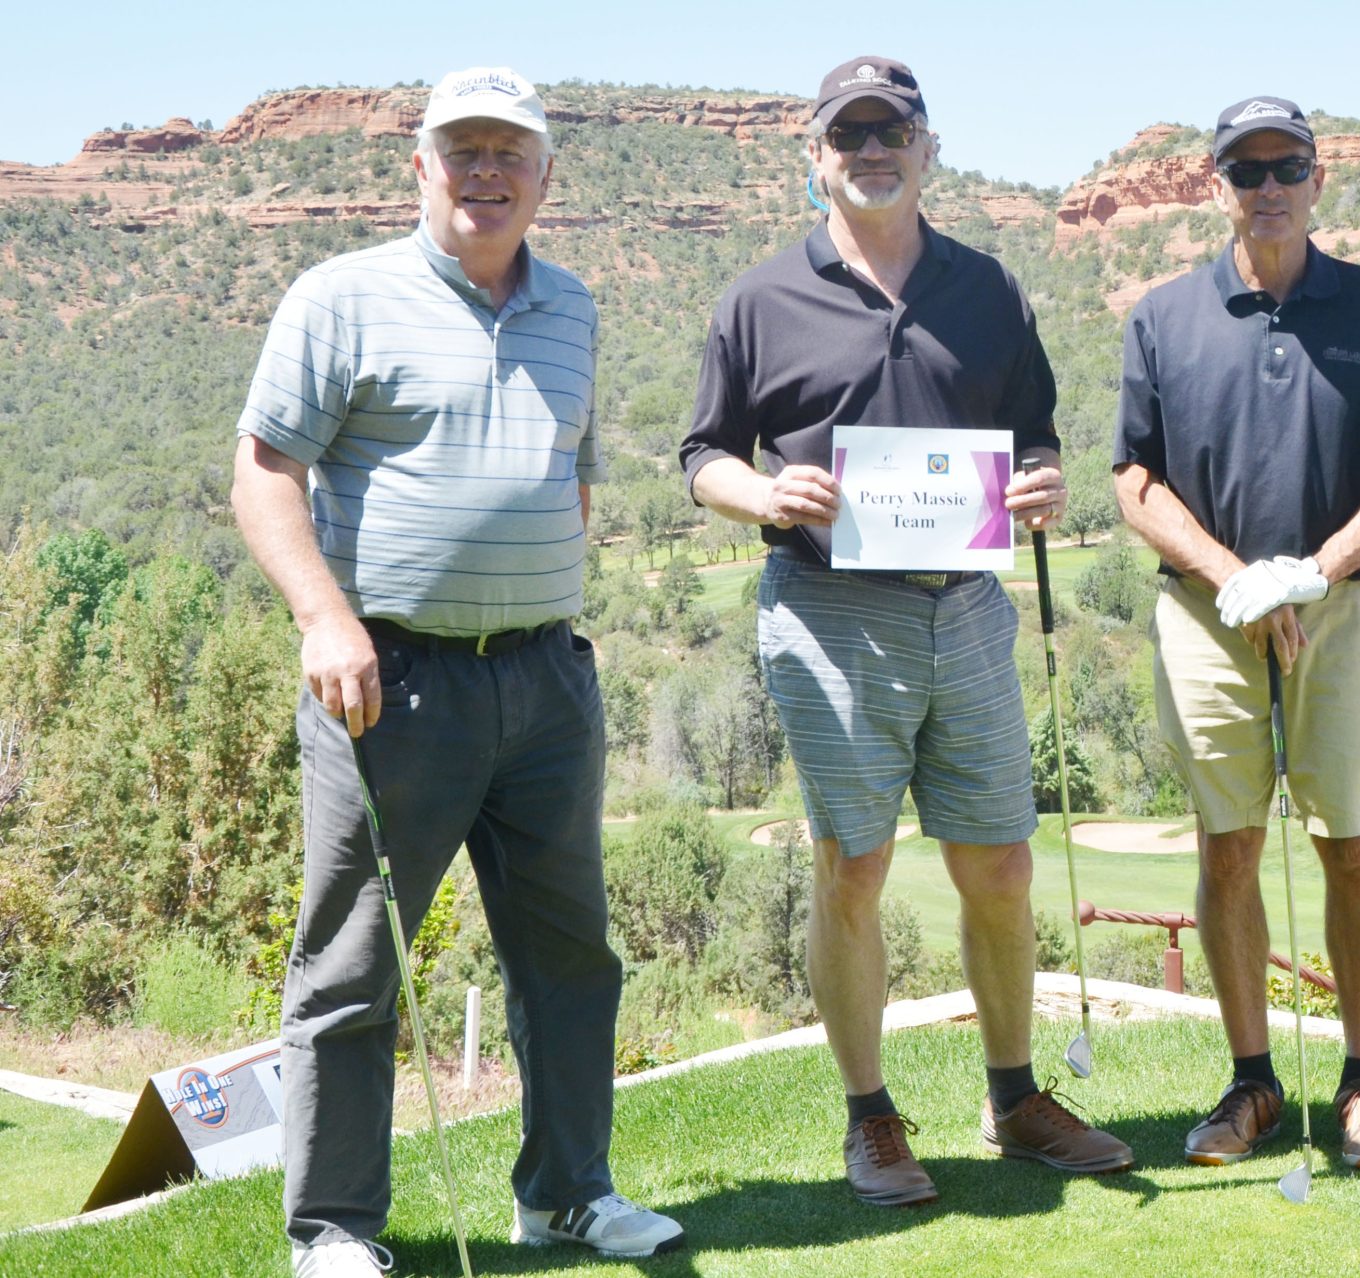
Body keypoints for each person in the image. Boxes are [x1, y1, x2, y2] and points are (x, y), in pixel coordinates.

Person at [231, 67, 685, 1277]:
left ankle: (570, 1196)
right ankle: (335, 1230)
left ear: (545, 175)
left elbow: (572, 474)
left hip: (544, 682)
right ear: (420, 167)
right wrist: (324, 619)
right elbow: (264, 474)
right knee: (353, 965)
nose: (487, 170)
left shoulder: (573, 306)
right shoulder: (340, 296)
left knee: (570, 958)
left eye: (509, 151)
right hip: (388, 682)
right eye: (463, 149)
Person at [678, 54, 1131, 1208]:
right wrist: (763, 494)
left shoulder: (987, 287)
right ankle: (871, 1119)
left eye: (892, 132)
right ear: (815, 155)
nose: (871, 151)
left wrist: (1043, 481)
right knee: (854, 866)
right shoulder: (760, 299)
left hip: (965, 605)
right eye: (849, 134)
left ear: (929, 149)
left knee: (1001, 863)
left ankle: (1014, 1099)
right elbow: (703, 455)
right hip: (829, 611)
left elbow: (1033, 433)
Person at [1114, 96, 1360, 1173]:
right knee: (1227, 848)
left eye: (1286, 166)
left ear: (1319, 178)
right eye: (1245, 169)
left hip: (1339, 610)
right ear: (1214, 183)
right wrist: (1236, 581)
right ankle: (1252, 1083)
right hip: (1205, 615)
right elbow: (1134, 480)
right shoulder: (1163, 316)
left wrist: (1316, 572)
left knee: (1349, 844)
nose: (1267, 186)